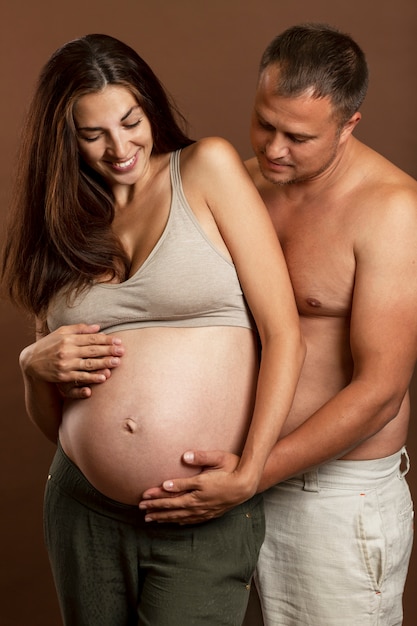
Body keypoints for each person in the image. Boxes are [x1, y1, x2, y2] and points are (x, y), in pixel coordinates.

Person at [1, 34, 305, 626]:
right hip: (82, 507)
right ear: (66, 140)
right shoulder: (59, 226)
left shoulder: (206, 169)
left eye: (130, 121)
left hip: (201, 508)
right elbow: (55, 424)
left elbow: (283, 331)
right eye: (93, 134)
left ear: (150, 108)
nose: (120, 147)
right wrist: (31, 366)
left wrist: (250, 472)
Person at [136, 24, 417, 625]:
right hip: (228, 483)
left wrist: (253, 474)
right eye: (265, 123)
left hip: (332, 496)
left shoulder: (392, 210)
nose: (274, 148)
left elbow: (381, 393)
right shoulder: (236, 184)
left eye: (299, 136)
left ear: (350, 125)